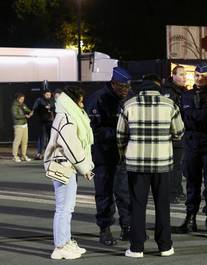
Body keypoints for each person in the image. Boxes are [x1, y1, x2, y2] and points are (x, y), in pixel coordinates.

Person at [117, 74, 184, 258]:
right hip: (162, 162)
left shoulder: (129, 104)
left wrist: (124, 154)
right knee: (162, 205)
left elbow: (120, 135)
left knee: (137, 205)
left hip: (136, 163)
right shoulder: (169, 105)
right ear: (158, 86)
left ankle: (136, 247)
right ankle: (165, 246)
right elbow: (179, 132)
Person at [44, 86, 94, 259]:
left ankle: (65, 242)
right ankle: (61, 246)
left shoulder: (66, 116)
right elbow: (71, 146)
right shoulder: (66, 118)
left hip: (64, 165)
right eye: (80, 100)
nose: (82, 103)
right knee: (64, 208)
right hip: (64, 165)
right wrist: (85, 168)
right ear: (73, 101)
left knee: (65, 207)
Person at [85, 66, 134, 246]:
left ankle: (127, 228)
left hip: (123, 155)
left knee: (124, 193)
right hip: (103, 155)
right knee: (104, 193)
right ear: (113, 83)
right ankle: (104, 229)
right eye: (122, 86)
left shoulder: (130, 97)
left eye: (128, 86)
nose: (126, 90)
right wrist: (119, 133)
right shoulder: (98, 99)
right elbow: (92, 130)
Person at [176, 63, 207, 235]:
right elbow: (184, 120)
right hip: (192, 144)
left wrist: (198, 119)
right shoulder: (186, 95)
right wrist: (204, 116)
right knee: (192, 182)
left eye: (203, 75)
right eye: (197, 75)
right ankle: (190, 217)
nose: (200, 78)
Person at [161, 65, 187, 204]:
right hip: (172, 135)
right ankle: (172, 192)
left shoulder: (181, 91)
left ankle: (177, 190)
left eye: (185, 74)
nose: (185, 77)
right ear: (174, 75)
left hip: (180, 134)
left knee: (178, 166)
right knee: (174, 166)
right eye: (181, 74)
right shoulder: (168, 92)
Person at [32, 89, 55, 160]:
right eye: (47, 94)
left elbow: (55, 108)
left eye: (49, 94)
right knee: (41, 137)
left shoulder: (53, 100)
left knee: (51, 137)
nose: (48, 96)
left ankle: (50, 153)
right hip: (41, 121)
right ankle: (39, 153)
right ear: (44, 94)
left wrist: (51, 108)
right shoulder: (39, 100)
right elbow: (35, 109)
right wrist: (43, 108)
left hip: (50, 121)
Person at [11, 93, 33, 162]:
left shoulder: (23, 105)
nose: (22, 100)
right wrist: (25, 116)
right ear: (18, 99)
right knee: (17, 141)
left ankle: (23, 156)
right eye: (21, 99)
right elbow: (16, 116)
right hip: (18, 125)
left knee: (25, 141)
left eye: (23, 99)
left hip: (25, 125)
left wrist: (30, 112)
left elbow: (27, 110)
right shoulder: (14, 106)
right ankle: (15, 156)